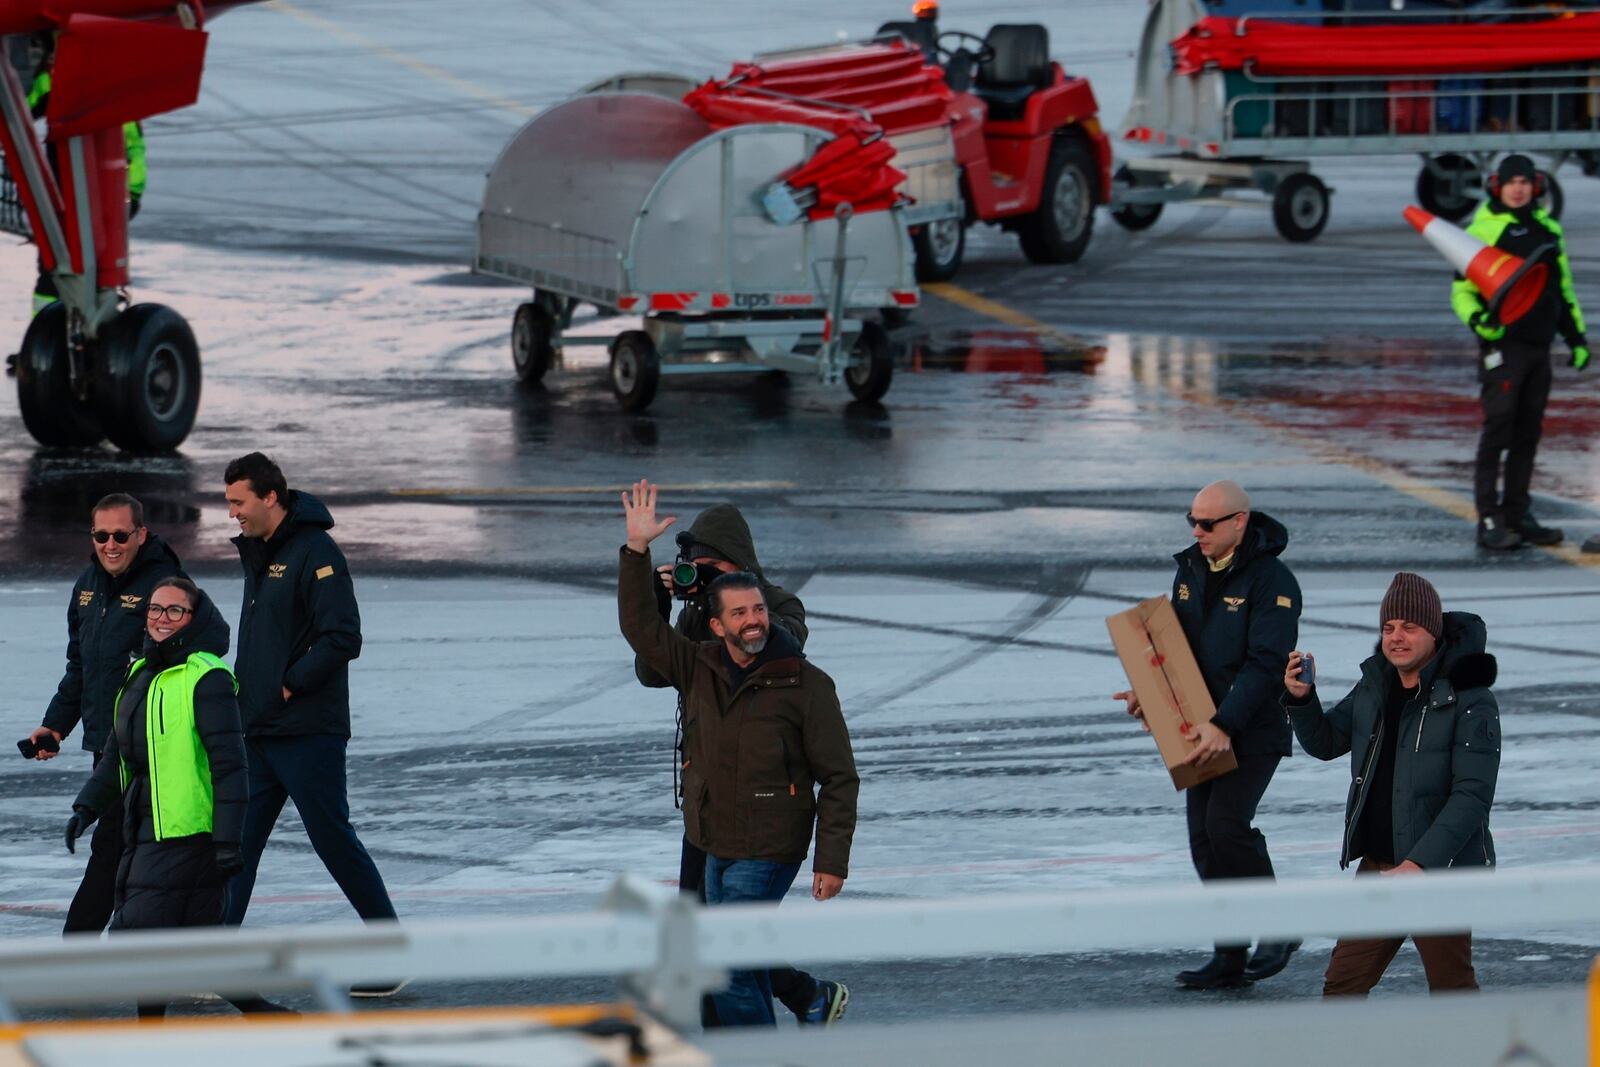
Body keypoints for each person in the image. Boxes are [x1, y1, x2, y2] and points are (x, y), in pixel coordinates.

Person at [618, 481, 859, 1028]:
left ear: (737, 561)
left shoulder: (774, 606)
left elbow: (780, 647)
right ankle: (803, 999)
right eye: (694, 565)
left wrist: (731, 607)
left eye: (711, 565)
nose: (701, 574)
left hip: (765, 811)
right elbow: (651, 669)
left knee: (721, 943)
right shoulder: (699, 611)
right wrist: (664, 600)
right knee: (705, 933)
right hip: (708, 803)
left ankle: (758, 1027)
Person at [220, 452, 401, 993]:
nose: (232, 513)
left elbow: (344, 635)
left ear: (269, 497)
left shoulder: (315, 552)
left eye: (238, 502)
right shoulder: (263, 551)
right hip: (261, 730)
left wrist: (289, 682)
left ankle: (391, 952)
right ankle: (213, 956)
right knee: (237, 846)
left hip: (307, 731)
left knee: (332, 839)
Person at [1114, 480, 1301, 989]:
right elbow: (1176, 650)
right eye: (1191, 520)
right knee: (1203, 840)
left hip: (1252, 729)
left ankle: (1280, 926)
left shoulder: (1273, 582)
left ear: (1240, 522)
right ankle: (1230, 952)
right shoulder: (1190, 569)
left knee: (1227, 826)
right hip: (1200, 727)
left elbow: (1266, 665)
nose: (1196, 530)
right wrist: (1145, 693)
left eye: (1207, 523)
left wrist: (1225, 724)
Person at [1282, 572, 1499, 996]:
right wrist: (1303, 699)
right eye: (1388, 628)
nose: (1396, 637)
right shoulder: (1374, 686)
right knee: (1342, 985)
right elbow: (1327, 743)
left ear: (1433, 633)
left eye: (1409, 627)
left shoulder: (1470, 699)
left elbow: (1472, 797)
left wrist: (1419, 865)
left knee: (1452, 989)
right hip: (1380, 867)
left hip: (1438, 873)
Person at [64, 577, 251, 1017]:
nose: (160, 619)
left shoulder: (207, 678)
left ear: (194, 618)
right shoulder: (140, 673)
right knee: (190, 947)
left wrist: (227, 841)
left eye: (174, 611)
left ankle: (151, 1039)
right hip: (143, 829)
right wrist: (86, 806)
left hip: (189, 834)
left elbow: (231, 767)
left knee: (142, 939)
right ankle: (270, 1016)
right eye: (154, 609)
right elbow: (116, 755)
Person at [22, 493, 183, 935]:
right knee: (127, 851)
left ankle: (81, 951)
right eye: (100, 535)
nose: (110, 545)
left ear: (141, 534)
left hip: (157, 747)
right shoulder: (86, 589)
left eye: (120, 535)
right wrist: (54, 725)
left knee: (122, 849)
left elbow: (192, 659)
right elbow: (81, 668)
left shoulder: (165, 587)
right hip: (108, 745)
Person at [1451, 153, 1588, 551]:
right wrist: (1479, 320)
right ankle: (1489, 518)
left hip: (1539, 348)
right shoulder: (1484, 230)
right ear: (1498, 186)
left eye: (1525, 182)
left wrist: (1576, 338)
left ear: (1536, 187)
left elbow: (1561, 290)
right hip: (1504, 349)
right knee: (1498, 429)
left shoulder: (1548, 230)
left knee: (1528, 435)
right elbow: (1461, 291)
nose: (1518, 188)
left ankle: (1518, 513)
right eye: (1511, 182)